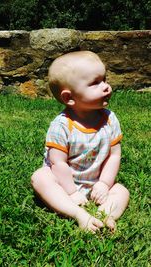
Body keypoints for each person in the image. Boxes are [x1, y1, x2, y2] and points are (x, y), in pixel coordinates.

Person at [31, 51, 129, 233]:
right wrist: (72, 192)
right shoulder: (61, 125)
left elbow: (114, 155)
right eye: (95, 83)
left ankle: (104, 216)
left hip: (96, 182)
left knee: (122, 191)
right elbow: (57, 163)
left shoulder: (110, 119)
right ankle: (78, 214)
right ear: (69, 98)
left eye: (105, 79)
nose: (106, 87)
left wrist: (105, 184)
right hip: (63, 183)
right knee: (40, 178)